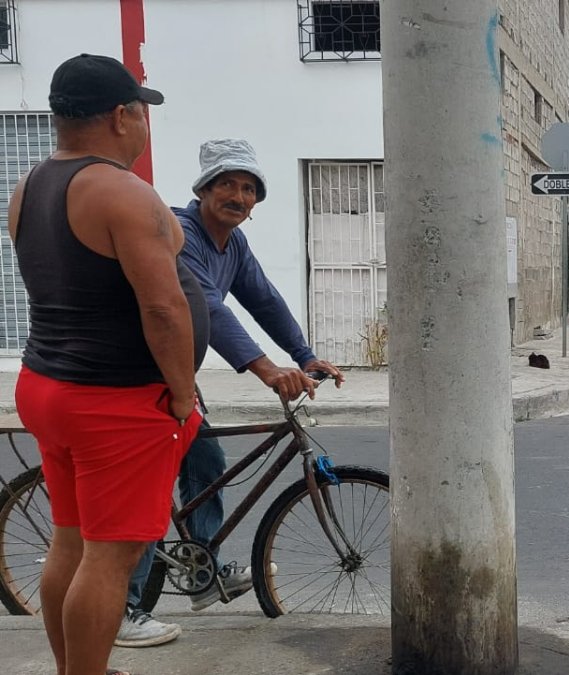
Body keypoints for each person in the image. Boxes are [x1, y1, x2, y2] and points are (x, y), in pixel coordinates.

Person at [11, 54, 207, 675]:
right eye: (142, 109)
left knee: (71, 541)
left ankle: (78, 668)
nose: (145, 121)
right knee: (111, 556)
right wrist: (181, 393)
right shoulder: (123, 192)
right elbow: (164, 307)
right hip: (114, 402)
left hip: (49, 384)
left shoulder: (30, 184)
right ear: (122, 116)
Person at [120, 138, 344, 647]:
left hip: (176, 374)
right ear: (203, 189)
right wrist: (267, 369)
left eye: (249, 188)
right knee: (150, 489)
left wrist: (303, 354)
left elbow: (263, 298)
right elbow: (207, 307)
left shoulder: (233, 244)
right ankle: (123, 609)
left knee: (204, 461)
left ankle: (203, 574)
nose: (239, 196)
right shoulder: (182, 232)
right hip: (139, 374)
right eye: (227, 184)